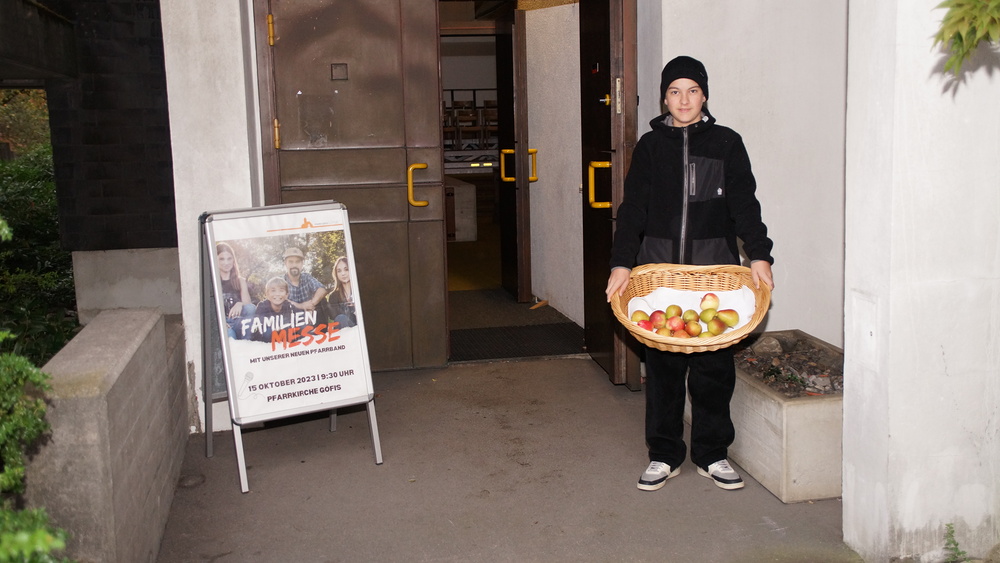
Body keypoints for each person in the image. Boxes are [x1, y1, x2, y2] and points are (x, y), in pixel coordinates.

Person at [605, 56, 775, 492]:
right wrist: (622, 263)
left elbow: (744, 205)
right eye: (675, 91)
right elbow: (633, 209)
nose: (684, 100)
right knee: (663, 371)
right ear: (664, 98)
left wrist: (759, 255)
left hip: (713, 276)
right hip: (661, 279)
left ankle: (712, 454)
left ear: (705, 96)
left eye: (692, 91)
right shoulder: (650, 147)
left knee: (713, 371)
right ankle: (664, 454)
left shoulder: (726, 143)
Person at [217, 242, 256, 339]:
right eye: (222, 259)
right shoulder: (213, 282)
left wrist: (239, 304)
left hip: (239, 321)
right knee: (230, 335)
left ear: (233, 260)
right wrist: (220, 322)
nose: (226, 262)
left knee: (250, 308)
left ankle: (247, 342)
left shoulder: (240, 281)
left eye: (229, 258)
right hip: (224, 323)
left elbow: (249, 305)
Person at [250, 276, 300, 342]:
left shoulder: (290, 306)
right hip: (267, 340)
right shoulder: (262, 306)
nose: (277, 294)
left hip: (284, 338)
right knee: (268, 331)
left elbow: (297, 324)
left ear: (286, 295)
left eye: (281, 291)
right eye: (273, 291)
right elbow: (257, 329)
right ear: (267, 294)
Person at [281, 247, 328, 312]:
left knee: (322, 300)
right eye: (291, 262)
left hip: (308, 315)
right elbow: (279, 300)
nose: (294, 265)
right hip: (289, 316)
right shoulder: (281, 281)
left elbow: (322, 290)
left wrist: (310, 305)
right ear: (285, 263)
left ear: (302, 263)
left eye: (297, 262)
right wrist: (301, 306)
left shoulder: (306, 277)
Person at [326, 256, 357, 328]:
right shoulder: (333, 296)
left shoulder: (358, 290)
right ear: (336, 274)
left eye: (346, 269)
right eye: (339, 271)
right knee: (341, 318)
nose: (343, 273)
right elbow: (335, 317)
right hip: (346, 329)